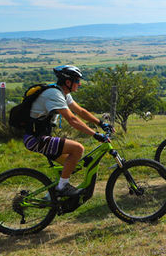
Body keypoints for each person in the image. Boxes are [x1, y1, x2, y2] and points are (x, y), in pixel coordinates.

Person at [23, 65, 110, 197]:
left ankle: (51, 198)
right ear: (68, 82)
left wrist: (100, 123)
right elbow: (72, 120)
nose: (79, 84)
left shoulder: (63, 93)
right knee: (77, 149)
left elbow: (80, 111)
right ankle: (62, 187)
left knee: (73, 166)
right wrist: (95, 134)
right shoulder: (54, 94)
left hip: (41, 137)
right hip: (36, 139)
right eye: (77, 81)